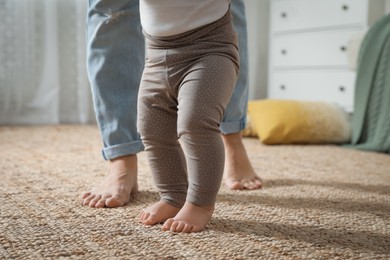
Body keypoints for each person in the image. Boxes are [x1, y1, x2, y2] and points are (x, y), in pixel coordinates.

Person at [81, 0, 262, 209]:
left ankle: (201, 202)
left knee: (196, 121)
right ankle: (169, 194)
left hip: (212, 45)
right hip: (158, 54)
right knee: (152, 128)